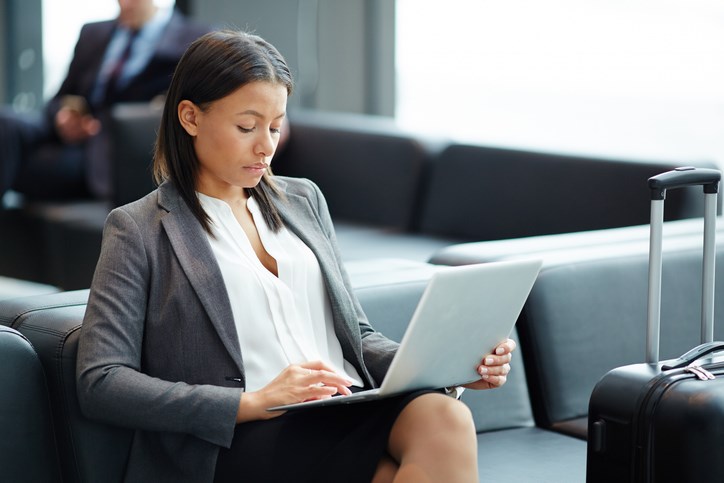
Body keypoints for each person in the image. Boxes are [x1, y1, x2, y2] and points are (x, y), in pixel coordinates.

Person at [76, 30, 516, 483]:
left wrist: (447, 366)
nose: (266, 146)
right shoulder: (139, 228)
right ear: (189, 117)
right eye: (246, 127)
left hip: (343, 407)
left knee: (445, 415)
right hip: (242, 433)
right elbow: (102, 381)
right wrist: (250, 402)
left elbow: (355, 334)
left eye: (275, 125)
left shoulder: (302, 200)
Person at [0, 0, 210, 202]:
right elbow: (61, 97)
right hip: (70, 138)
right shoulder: (93, 33)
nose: (124, 4)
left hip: (108, 153)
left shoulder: (190, 39)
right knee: (5, 123)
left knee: (14, 162)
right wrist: (62, 118)